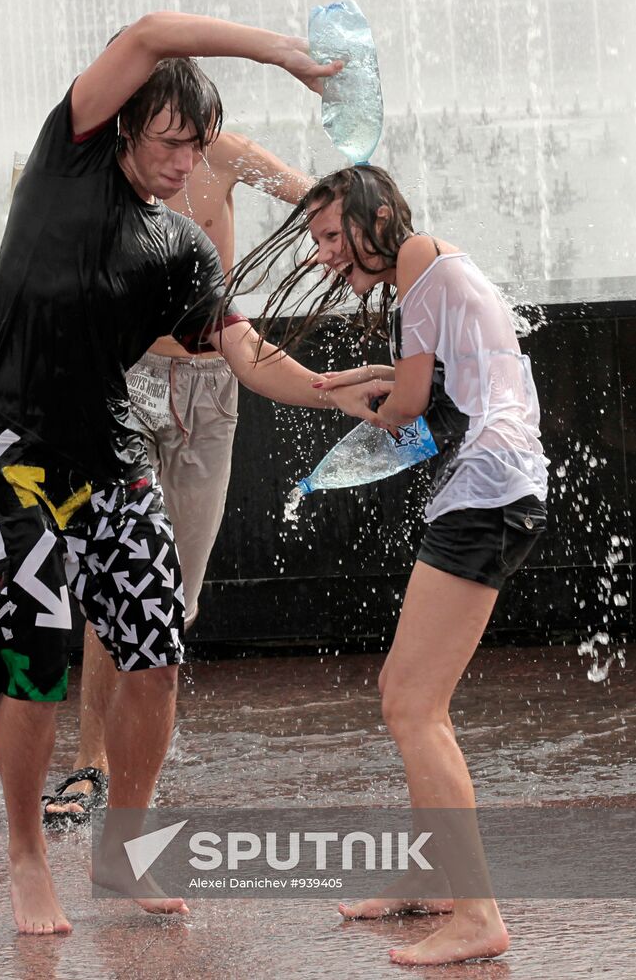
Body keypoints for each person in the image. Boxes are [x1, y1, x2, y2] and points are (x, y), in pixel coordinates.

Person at [0, 14, 383, 936]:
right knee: (34, 663)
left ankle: (121, 848)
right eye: (168, 142)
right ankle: (30, 859)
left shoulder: (179, 248)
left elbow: (242, 353)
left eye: (197, 148)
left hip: (112, 460)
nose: (185, 162)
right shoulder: (62, 160)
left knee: (154, 656)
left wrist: (328, 389)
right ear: (124, 128)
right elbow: (152, 32)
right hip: (21, 454)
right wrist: (280, 55)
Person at [226, 164, 548, 966]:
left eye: (332, 235)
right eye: (316, 241)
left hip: (486, 490)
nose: (326, 255)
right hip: (493, 484)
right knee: (409, 700)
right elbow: (431, 391)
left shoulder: (415, 263)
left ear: (374, 215)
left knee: (411, 705)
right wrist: (360, 384)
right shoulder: (437, 264)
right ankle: (437, 881)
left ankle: (477, 914)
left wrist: (351, 393)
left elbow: (408, 409)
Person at [43, 132, 313, 822]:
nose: (177, 149)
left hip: (211, 385)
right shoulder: (104, 166)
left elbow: (310, 196)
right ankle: (90, 764)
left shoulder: (222, 153)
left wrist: (379, 235)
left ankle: (137, 758)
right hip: (125, 379)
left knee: (174, 598)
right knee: (119, 576)